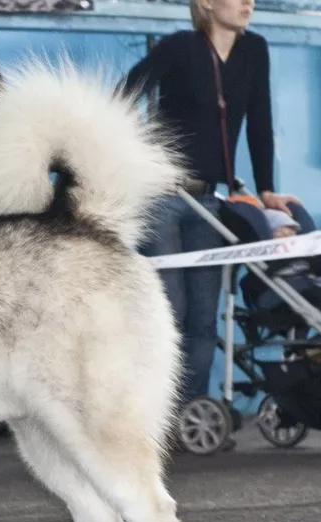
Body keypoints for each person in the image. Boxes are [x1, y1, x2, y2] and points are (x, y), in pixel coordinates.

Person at [119, 0, 300, 405]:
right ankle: (150, 411)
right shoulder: (179, 46)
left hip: (210, 201)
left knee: (203, 317)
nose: (248, 3)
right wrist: (135, 164)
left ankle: (190, 412)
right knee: (169, 311)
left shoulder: (254, 50)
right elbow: (123, 97)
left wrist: (267, 188)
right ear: (205, 3)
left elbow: (260, 121)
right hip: (162, 198)